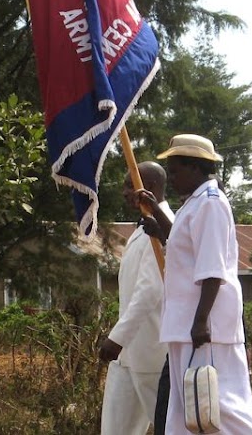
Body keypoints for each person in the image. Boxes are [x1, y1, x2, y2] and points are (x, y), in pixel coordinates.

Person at [149, 134, 252, 435]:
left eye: (176, 171)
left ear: (194, 168)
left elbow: (212, 268)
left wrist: (201, 320)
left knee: (223, 407)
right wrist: (159, 221)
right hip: (185, 325)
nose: (173, 178)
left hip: (206, 329)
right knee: (189, 412)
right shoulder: (194, 204)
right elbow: (189, 250)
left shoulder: (211, 204)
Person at [98, 161, 174, 435]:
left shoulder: (165, 228)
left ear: (149, 187)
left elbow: (150, 291)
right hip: (126, 357)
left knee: (169, 427)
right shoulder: (142, 228)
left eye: (129, 185)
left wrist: (117, 338)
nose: (124, 192)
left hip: (151, 354)